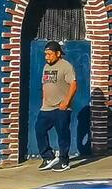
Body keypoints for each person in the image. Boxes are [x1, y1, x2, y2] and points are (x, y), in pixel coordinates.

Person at [35, 40, 78, 171]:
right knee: (39, 129)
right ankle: (48, 157)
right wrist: (44, 99)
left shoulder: (66, 66)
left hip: (61, 107)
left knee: (63, 134)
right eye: (45, 54)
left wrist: (66, 102)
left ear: (58, 53)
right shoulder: (46, 67)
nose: (47, 57)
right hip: (47, 107)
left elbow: (74, 85)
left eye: (49, 54)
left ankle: (64, 161)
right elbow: (45, 84)